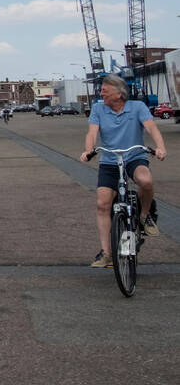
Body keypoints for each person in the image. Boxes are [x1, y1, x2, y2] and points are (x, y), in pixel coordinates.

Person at [80, 74, 168, 267]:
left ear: (119, 94)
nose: (101, 93)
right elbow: (92, 132)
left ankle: (145, 216)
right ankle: (106, 253)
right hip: (110, 160)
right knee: (103, 203)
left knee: (145, 181)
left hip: (134, 156)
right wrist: (88, 150)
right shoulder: (98, 109)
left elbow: (152, 128)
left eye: (105, 90)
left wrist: (160, 147)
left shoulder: (137, 107)